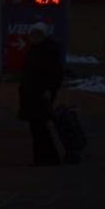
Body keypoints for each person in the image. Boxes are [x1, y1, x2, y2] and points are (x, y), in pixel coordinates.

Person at [18, 22, 62, 166]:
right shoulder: (38, 49)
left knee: (39, 126)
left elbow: (54, 73)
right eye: (33, 34)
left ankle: (46, 158)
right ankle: (45, 157)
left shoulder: (46, 50)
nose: (34, 37)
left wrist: (49, 90)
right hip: (34, 93)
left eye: (38, 34)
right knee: (38, 127)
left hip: (40, 94)